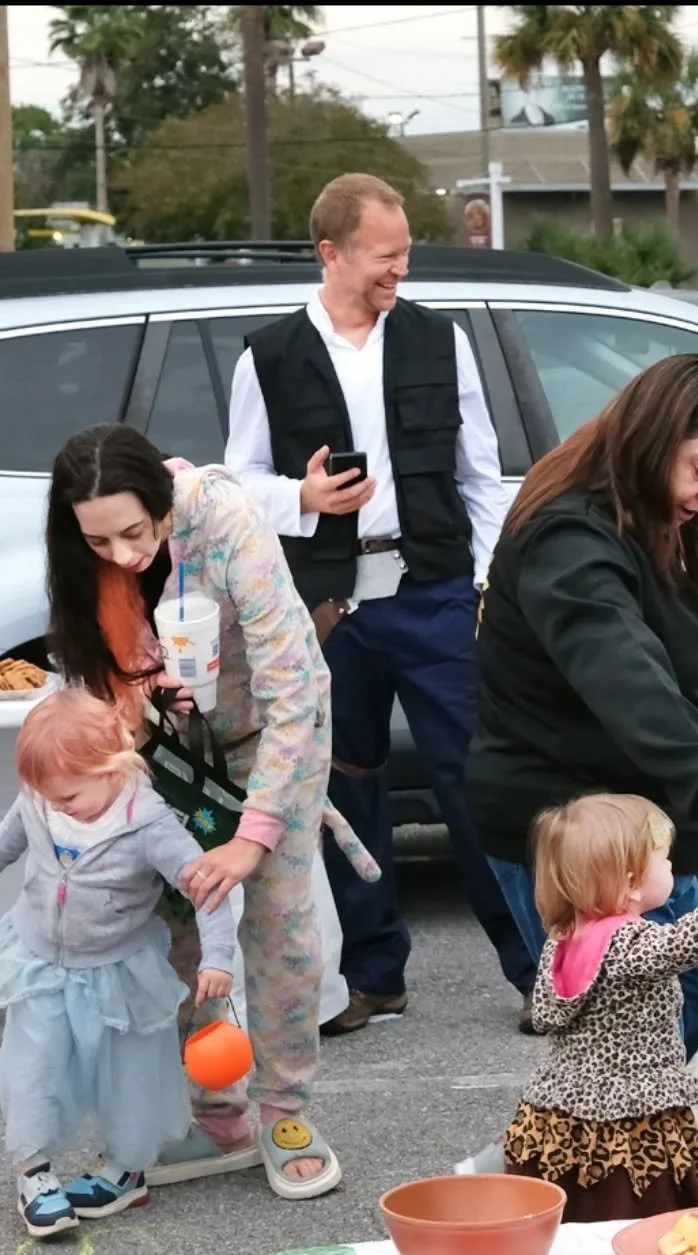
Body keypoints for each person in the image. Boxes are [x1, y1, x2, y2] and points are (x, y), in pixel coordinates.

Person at [225, 171, 529, 1034]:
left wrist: (486, 582)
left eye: (405, 255)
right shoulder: (269, 355)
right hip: (324, 609)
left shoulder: (443, 340)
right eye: (385, 257)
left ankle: (535, 968)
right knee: (343, 792)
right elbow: (236, 481)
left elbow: (482, 474)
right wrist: (302, 501)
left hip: (434, 593)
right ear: (332, 252)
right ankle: (371, 976)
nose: (400, 271)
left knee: (477, 783)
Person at [44, 422, 373, 1201]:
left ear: (163, 501)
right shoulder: (88, 555)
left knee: (279, 930)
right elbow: (96, 677)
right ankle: (216, 1113)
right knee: (184, 934)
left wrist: (255, 835)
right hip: (173, 748)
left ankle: (286, 1111)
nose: (123, 555)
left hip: (273, 737)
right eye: (99, 542)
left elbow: (295, 687)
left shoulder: (223, 522)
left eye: (134, 532)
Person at [466, 353, 698, 1053]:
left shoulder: (639, 519)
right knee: (637, 1044)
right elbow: (626, 676)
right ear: (653, 437)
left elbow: (666, 666)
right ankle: (592, 1163)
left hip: (638, 826)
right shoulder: (570, 539)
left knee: (690, 1026)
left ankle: (652, 1159)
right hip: (571, 835)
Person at [0, 688, 238, 1237]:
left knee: (128, 1073)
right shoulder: (43, 798)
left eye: (67, 796)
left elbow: (205, 885)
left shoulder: (149, 823)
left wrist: (219, 956)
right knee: (32, 1066)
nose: (55, 805)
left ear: (114, 768)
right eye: (45, 795)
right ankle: (33, 1172)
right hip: (41, 959)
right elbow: (15, 825)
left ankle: (125, 1170)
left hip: (120, 969)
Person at [506, 794, 698, 1221]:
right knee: (640, 1209)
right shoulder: (628, 942)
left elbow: (543, 1014)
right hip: (632, 1115)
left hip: (559, 1108)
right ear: (632, 882)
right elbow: (684, 943)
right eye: (664, 860)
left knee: (575, 1208)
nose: (672, 867)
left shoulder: (564, 938)